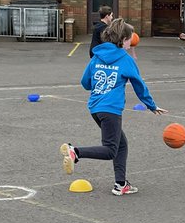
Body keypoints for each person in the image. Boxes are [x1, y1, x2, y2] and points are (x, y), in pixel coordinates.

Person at [61, 17, 165, 195]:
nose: (131, 43)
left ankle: (121, 184)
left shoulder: (97, 56)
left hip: (95, 108)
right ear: (123, 40)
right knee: (110, 150)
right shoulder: (126, 60)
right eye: (130, 40)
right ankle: (75, 152)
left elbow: (85, 82)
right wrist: (151, 105)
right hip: (110, 110)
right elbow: (139, 85)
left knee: (121, 144)